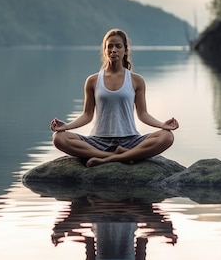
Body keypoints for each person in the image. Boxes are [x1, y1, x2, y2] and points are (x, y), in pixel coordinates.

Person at [50, 28, 179, 167]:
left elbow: (143, 114)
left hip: (130, 140)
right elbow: (87, 115)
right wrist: (67, 126)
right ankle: (122, 156)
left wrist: (162, 125)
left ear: (125, 50)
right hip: (98, 140)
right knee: (59, 138)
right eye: (109, 46)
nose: (113, 50)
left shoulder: (136, 80)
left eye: (118, 46)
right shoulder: (93, 80)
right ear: (105, 50)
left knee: (167, 136)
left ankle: (105, 159)